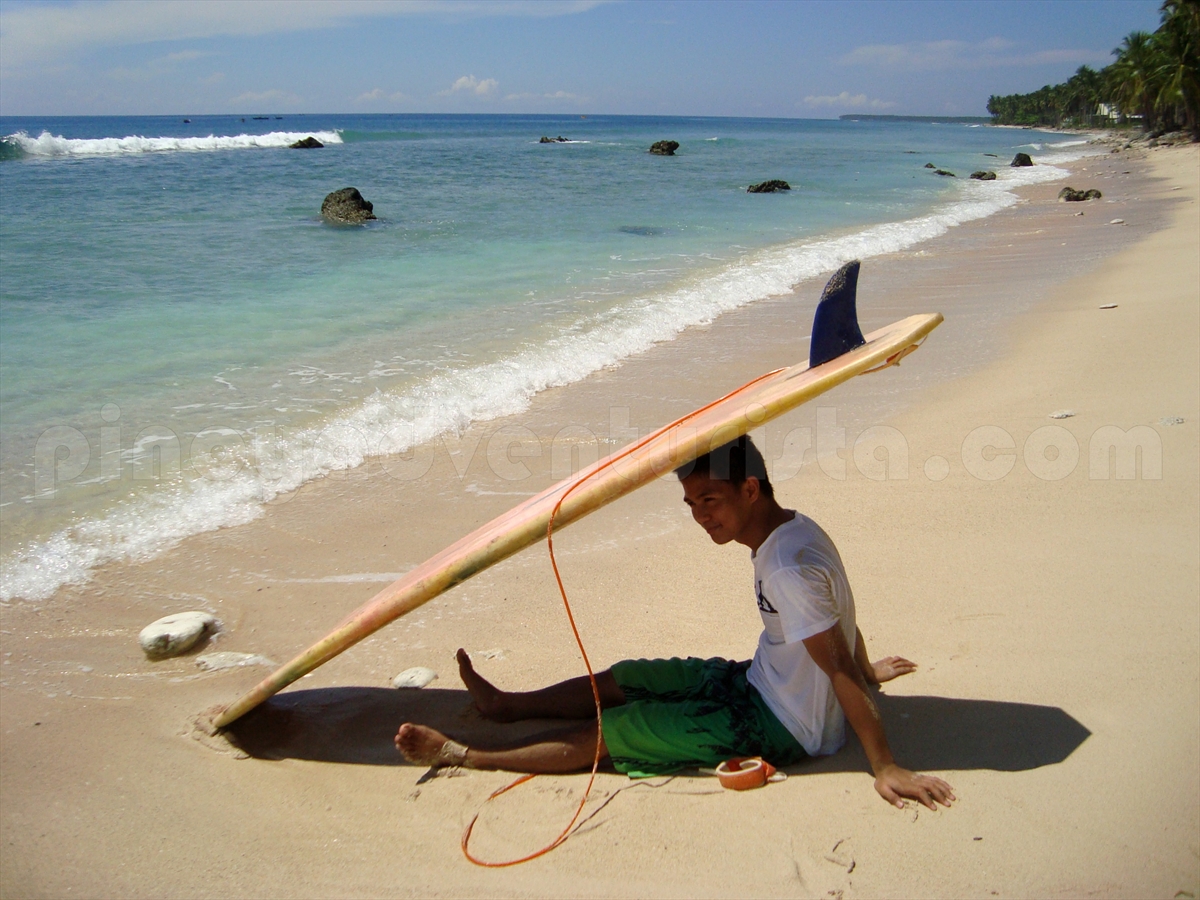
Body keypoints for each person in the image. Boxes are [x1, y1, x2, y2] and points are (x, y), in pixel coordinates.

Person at [395, 435, 954, 810]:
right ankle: (509, 706)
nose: (700, 516)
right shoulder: (795, 528)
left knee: (618, 730)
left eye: (709, 499)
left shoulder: (786, 566)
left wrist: (885, 764)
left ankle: (464, 754)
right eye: (690, 504)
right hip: (759, 681)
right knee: (632, 676)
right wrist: (869, 668)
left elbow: (832, 667)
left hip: (781, 726)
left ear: (750, 489)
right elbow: (838, 620)